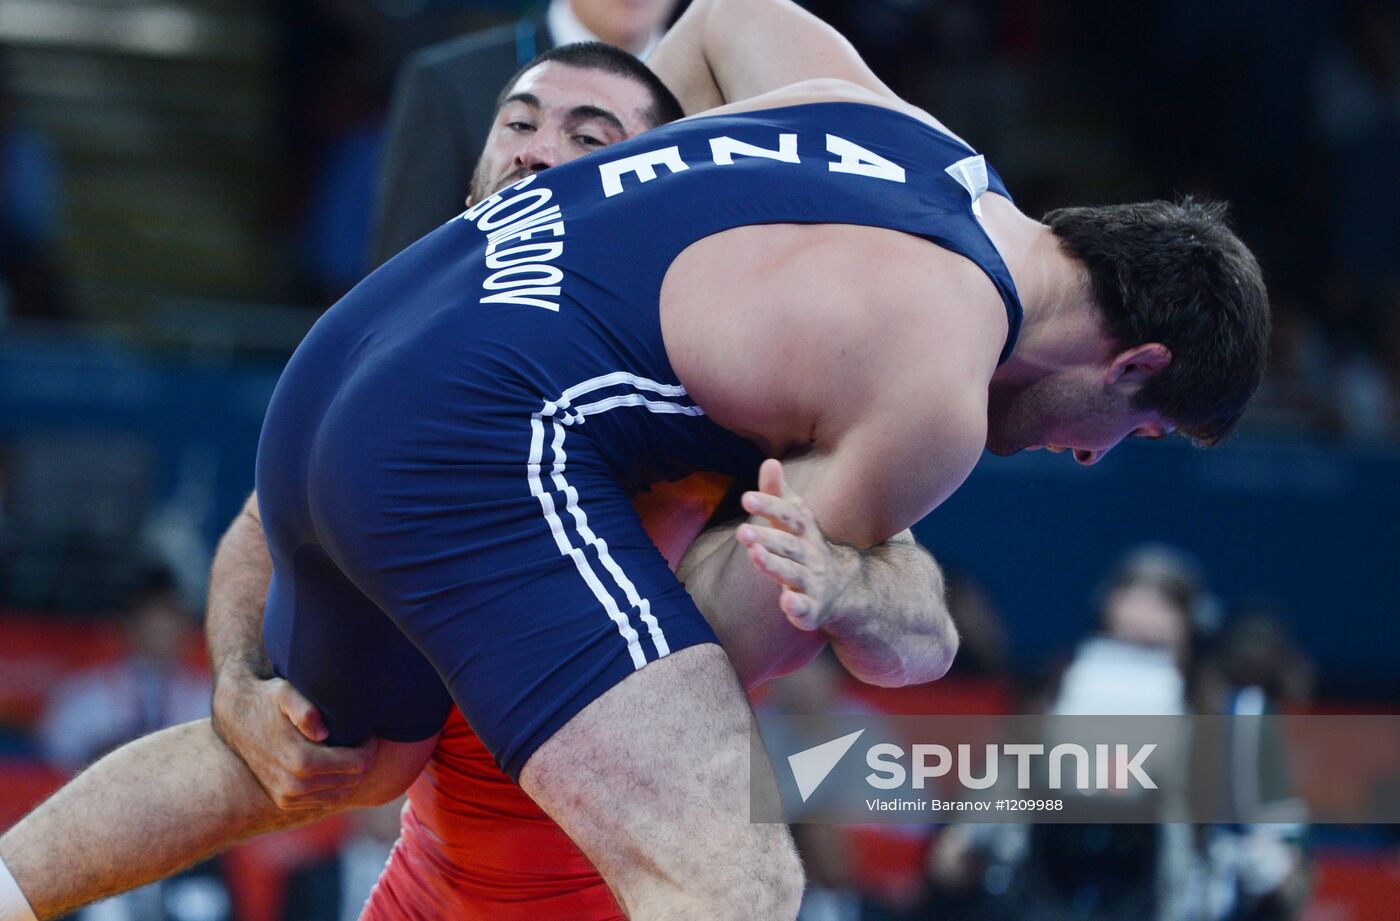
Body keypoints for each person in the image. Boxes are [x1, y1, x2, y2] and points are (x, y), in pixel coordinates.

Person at [0, 0, 1270, 916]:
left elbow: (720, 17)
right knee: (731, 875)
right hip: (478, 445)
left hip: (354, 352)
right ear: (1133, 364)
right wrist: (848, 592)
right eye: (1133, 433)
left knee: (321, 755)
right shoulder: (935, 385)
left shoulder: (887, 121)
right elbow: (712, 632)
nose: (1094, 459)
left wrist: (635, 184)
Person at [371, 0, 679, 264]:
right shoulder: (452, 81)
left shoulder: (717, 98)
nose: (537, 151)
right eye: (521, 125)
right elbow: (402, 268)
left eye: (588, 138)